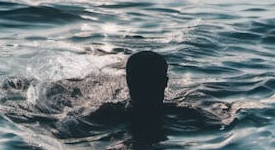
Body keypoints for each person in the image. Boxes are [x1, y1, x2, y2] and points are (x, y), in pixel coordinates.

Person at [88, 50, 228, 143]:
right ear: (165, 82)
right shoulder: (188, 114)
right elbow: (219, 126)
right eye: (143, 81)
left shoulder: (106, 115)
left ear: (128, 81)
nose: (146, 87)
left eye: (150, 81)